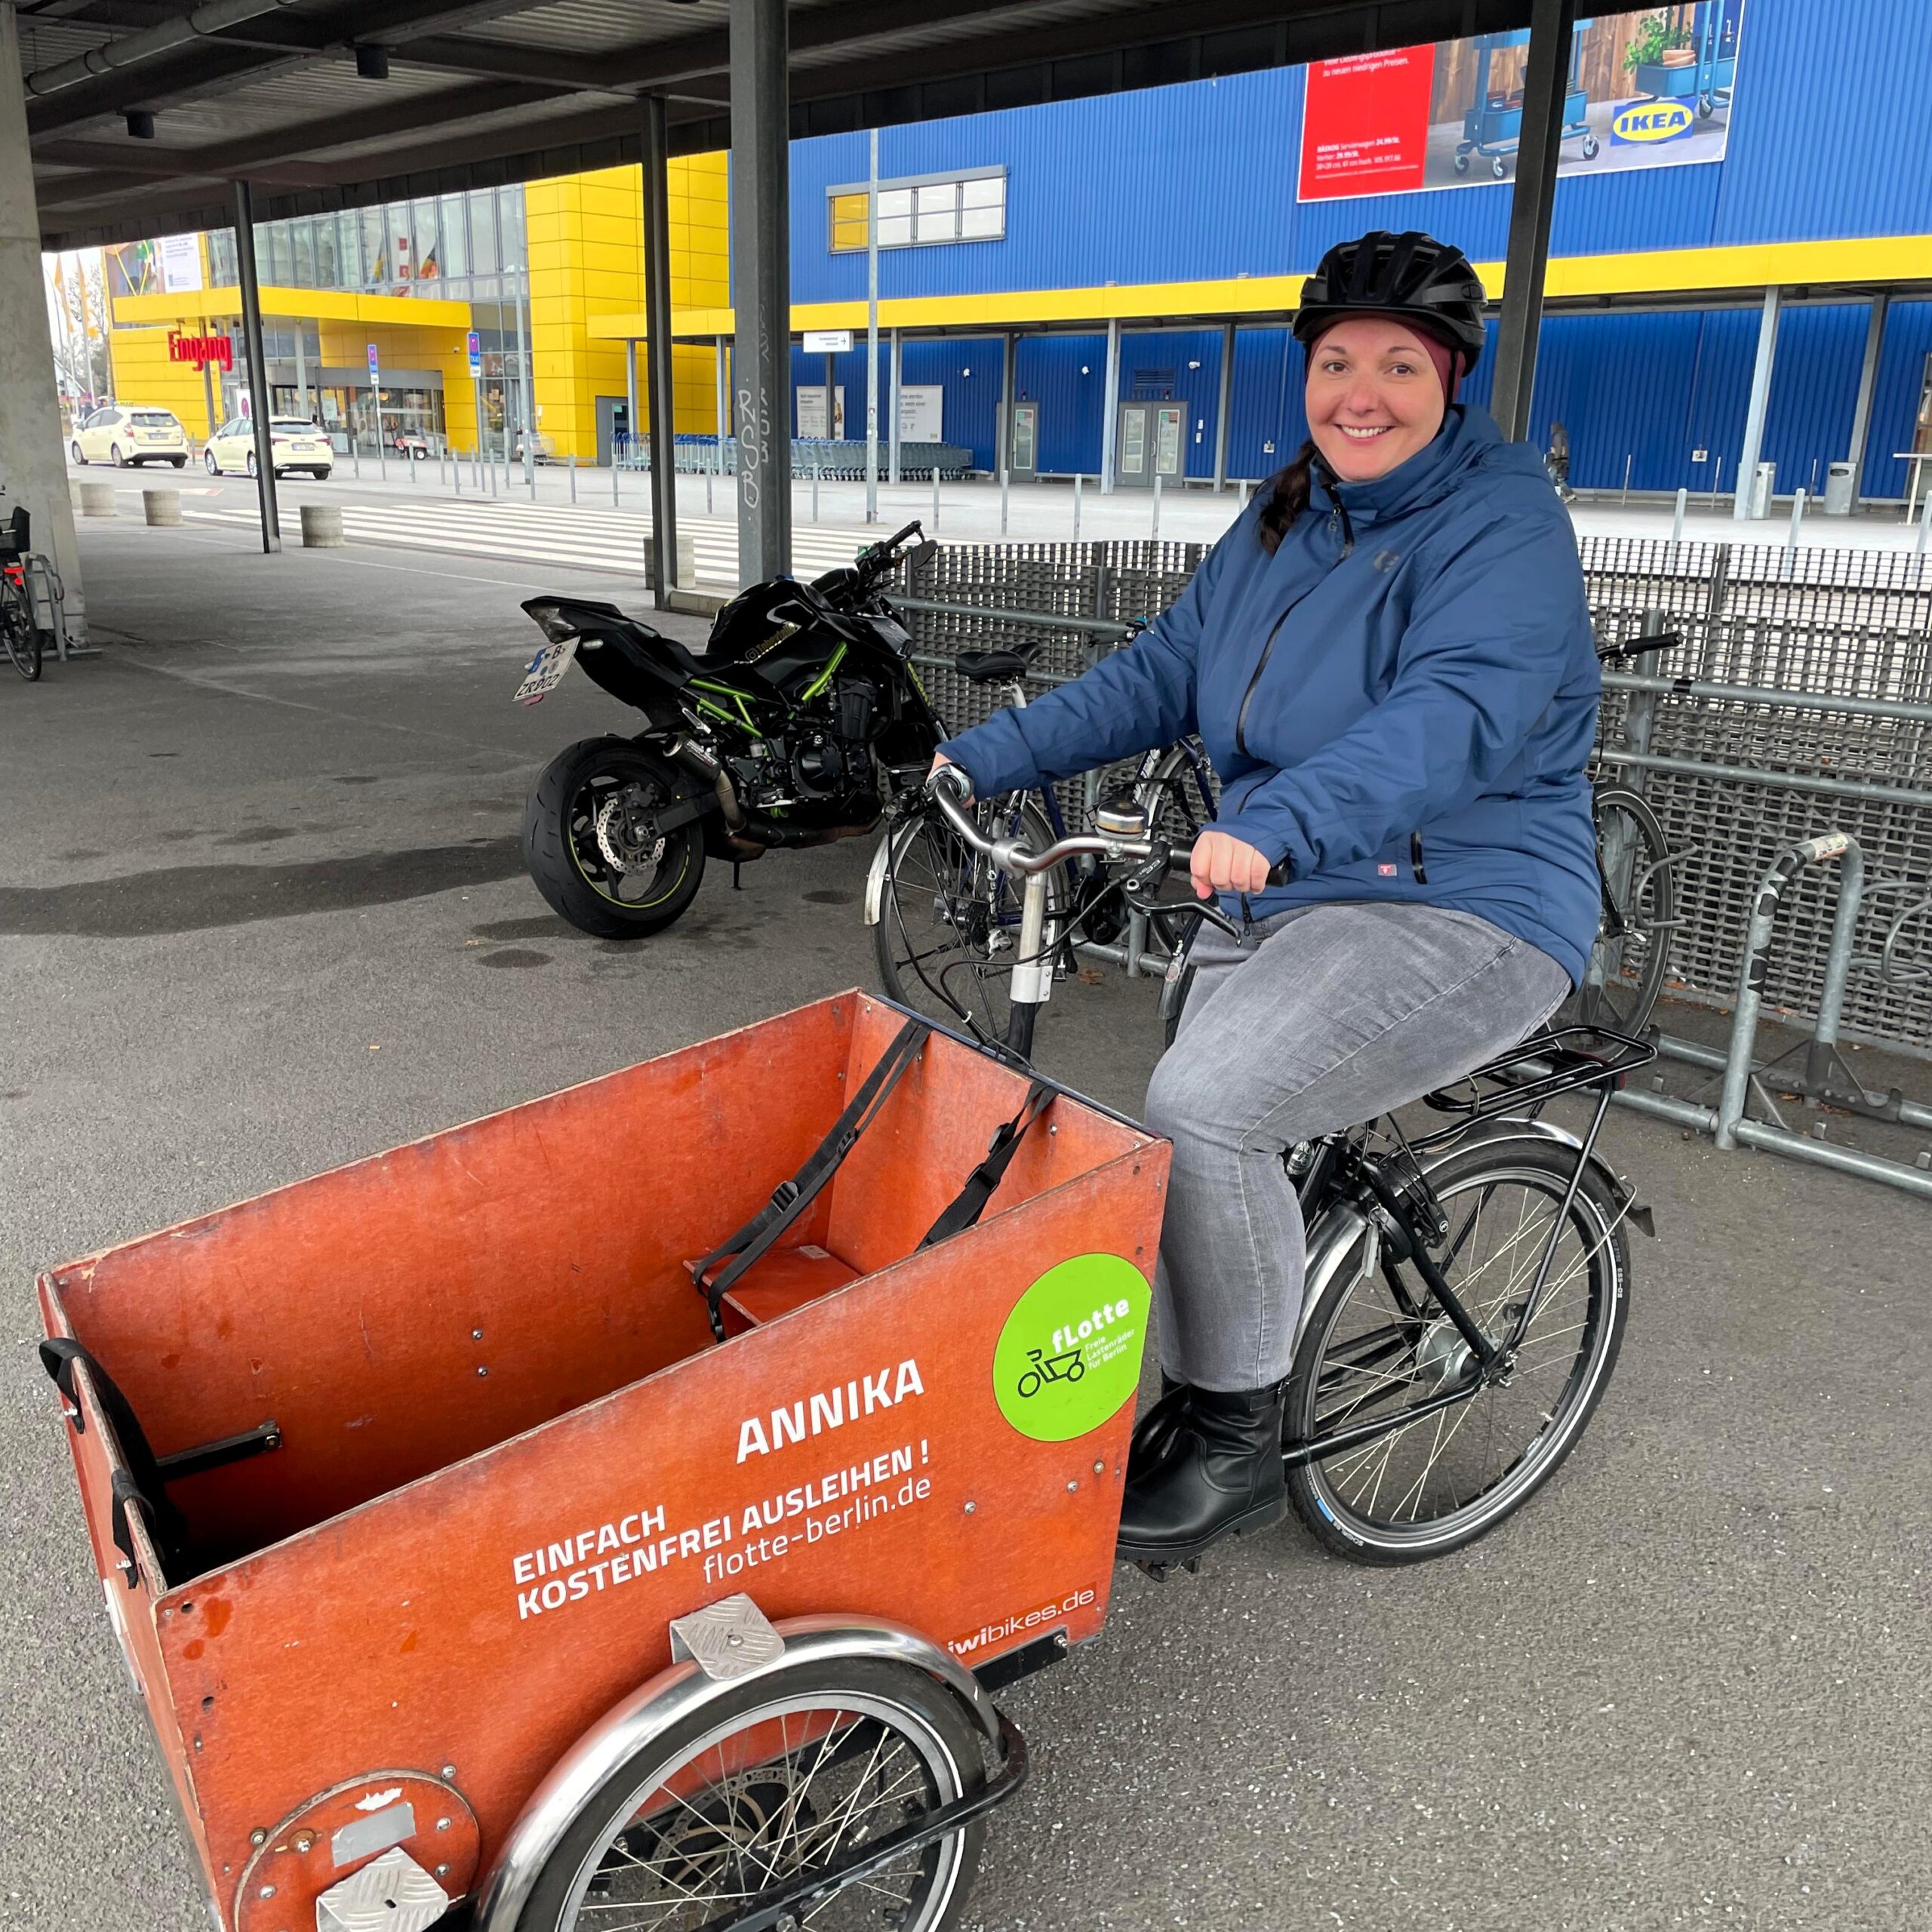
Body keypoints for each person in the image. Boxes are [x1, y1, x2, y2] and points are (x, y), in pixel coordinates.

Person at [931, 229, 1602, 1569]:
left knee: (1209, 1109)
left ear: (1451, 379)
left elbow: (1456, 711)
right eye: (1337, 359)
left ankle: (1234, 1435)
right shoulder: (1286, 512)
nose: (1364, 391)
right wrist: (976, 753)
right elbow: (1164, 670)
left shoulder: (1503, 522)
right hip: (1301, 886)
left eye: (1400, 365)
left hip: (1467, 899)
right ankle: (1204, 1386)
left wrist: (1275, 818)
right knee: (1182, 1139)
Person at [1546, 417, 1571, 497]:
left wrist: (1556, 459)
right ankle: (1569, 494)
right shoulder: (1563, 437)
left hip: (1558, 461)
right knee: (1559, 478)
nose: (1551, 430)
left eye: (1552, 428)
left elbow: (1558, 448)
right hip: (1563, 460)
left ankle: (1553, 495)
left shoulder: (1557, 437)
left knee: (1551, 477)